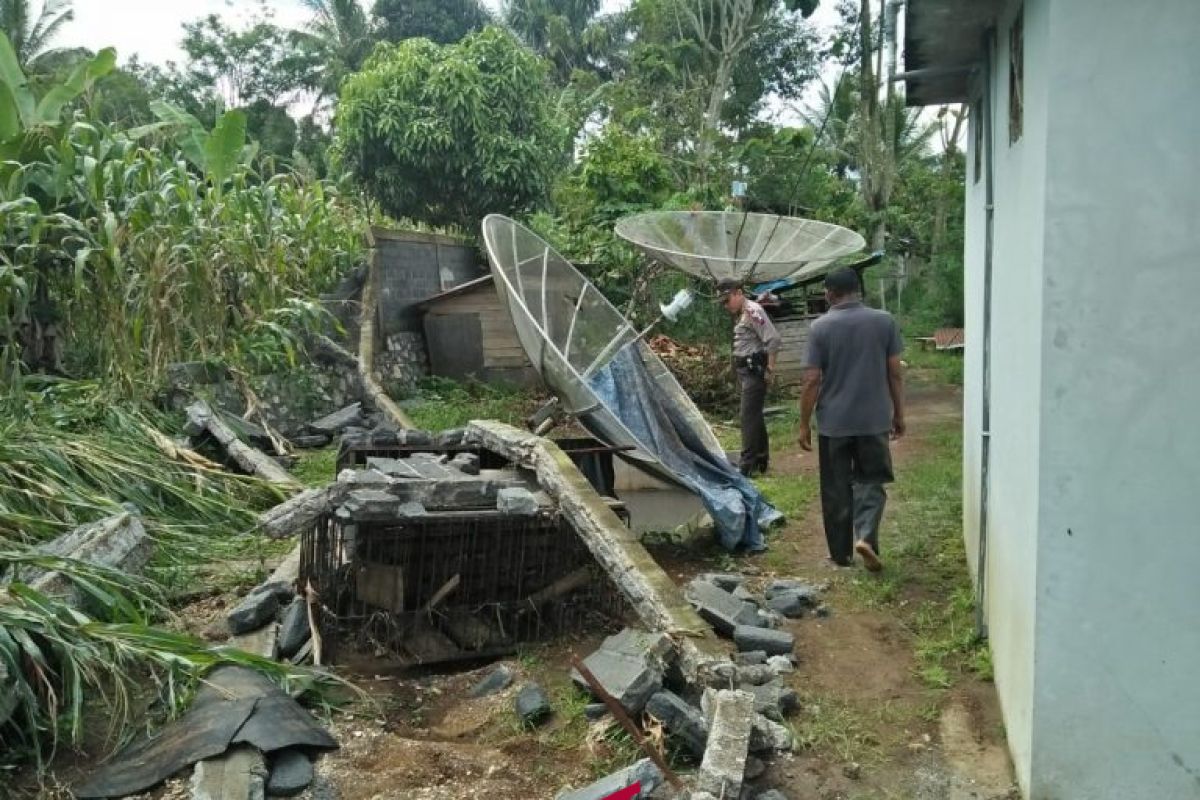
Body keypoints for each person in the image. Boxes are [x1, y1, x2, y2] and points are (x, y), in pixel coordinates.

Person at [798, 268, 905, 571]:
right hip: (874, 420)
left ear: (830, 293)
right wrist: (899, 413)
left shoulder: (820, 327)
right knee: (871, 480)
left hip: (834, 423)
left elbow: (811, 379)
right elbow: (895, 372)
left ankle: (841, 554)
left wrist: (804, 423)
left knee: (835, 488)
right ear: (858, 290)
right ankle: (867, 538)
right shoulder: (884, 321)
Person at [716, 278, 781, 477]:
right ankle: (761, 458)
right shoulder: (742, 313)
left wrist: (770, 367)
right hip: (746, 371)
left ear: (738, 292)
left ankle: (747, 464)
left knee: (747, 417)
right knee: (755, 415)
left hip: (755, 371)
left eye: (727, 300)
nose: (725, 305)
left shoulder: (753, 310)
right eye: (722, 302)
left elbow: (773, 338)